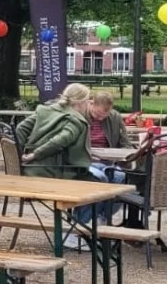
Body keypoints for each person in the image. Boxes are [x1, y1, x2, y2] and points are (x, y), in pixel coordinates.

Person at [15, 83, 112, 249]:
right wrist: (35, 154)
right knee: (99, 184)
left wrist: (21, 155)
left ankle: (91, 224)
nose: (88, 103)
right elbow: (61, 140)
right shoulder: (75, 120)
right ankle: (75, 233)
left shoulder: (45, 110)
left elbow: (20, 129)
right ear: (81, 102)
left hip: (32, 170)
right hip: (53, 173)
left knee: (107, 175)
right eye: (87, 100)